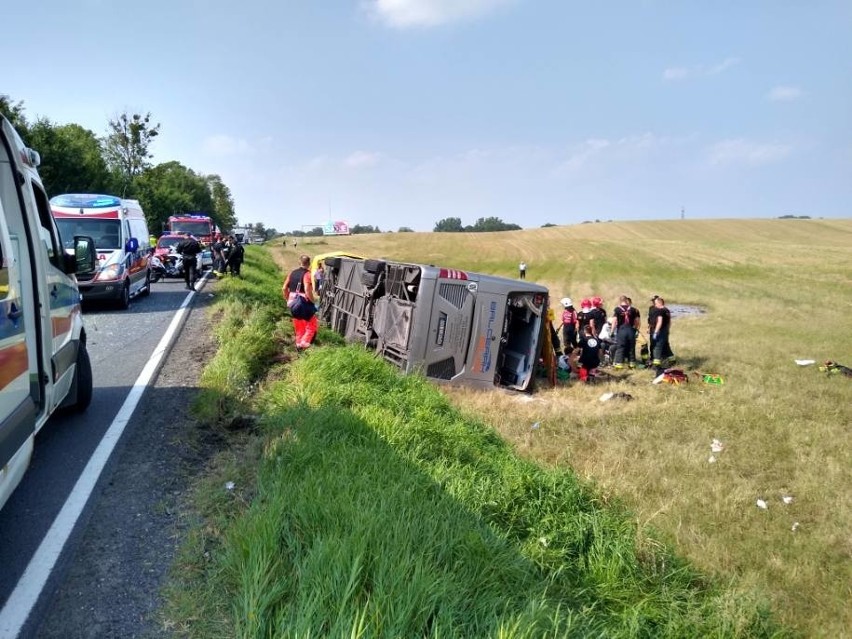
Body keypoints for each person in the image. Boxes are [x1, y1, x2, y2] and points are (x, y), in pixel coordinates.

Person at [282, 254, 318, 349]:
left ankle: (299, 345)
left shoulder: (292, 273)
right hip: (303, 303)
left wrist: (288, 300)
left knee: (299, 326)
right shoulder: (307, 274)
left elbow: (284, 288)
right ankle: (304, 344)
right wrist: (312, 301)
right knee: (311, 325)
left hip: (293, 303)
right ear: (309, 263)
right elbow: (307, 290)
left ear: (299, 262)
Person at [612, 295, 641, 369]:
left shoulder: (617, 309)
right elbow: (637, 321)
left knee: (620, 347)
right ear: (626, 300)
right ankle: (632, 365)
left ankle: (619, 365)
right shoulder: (634, 309)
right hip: (631, 330)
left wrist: (612, 331)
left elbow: (614, 321)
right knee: (631, 347)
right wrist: (636, 329)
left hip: (621, 330)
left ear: (620, 301)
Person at [651, 296, 673, 368]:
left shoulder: (660, 311)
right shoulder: (667, 310)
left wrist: (656, 332)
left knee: (657, 346)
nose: (655, 305)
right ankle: (672, 360)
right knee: (666, 345)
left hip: (660, 331)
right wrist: (668, 329)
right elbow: (669, 322)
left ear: (659, 303)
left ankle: (656, 363)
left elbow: (659, 322)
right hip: (666, 330)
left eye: (656, 303)